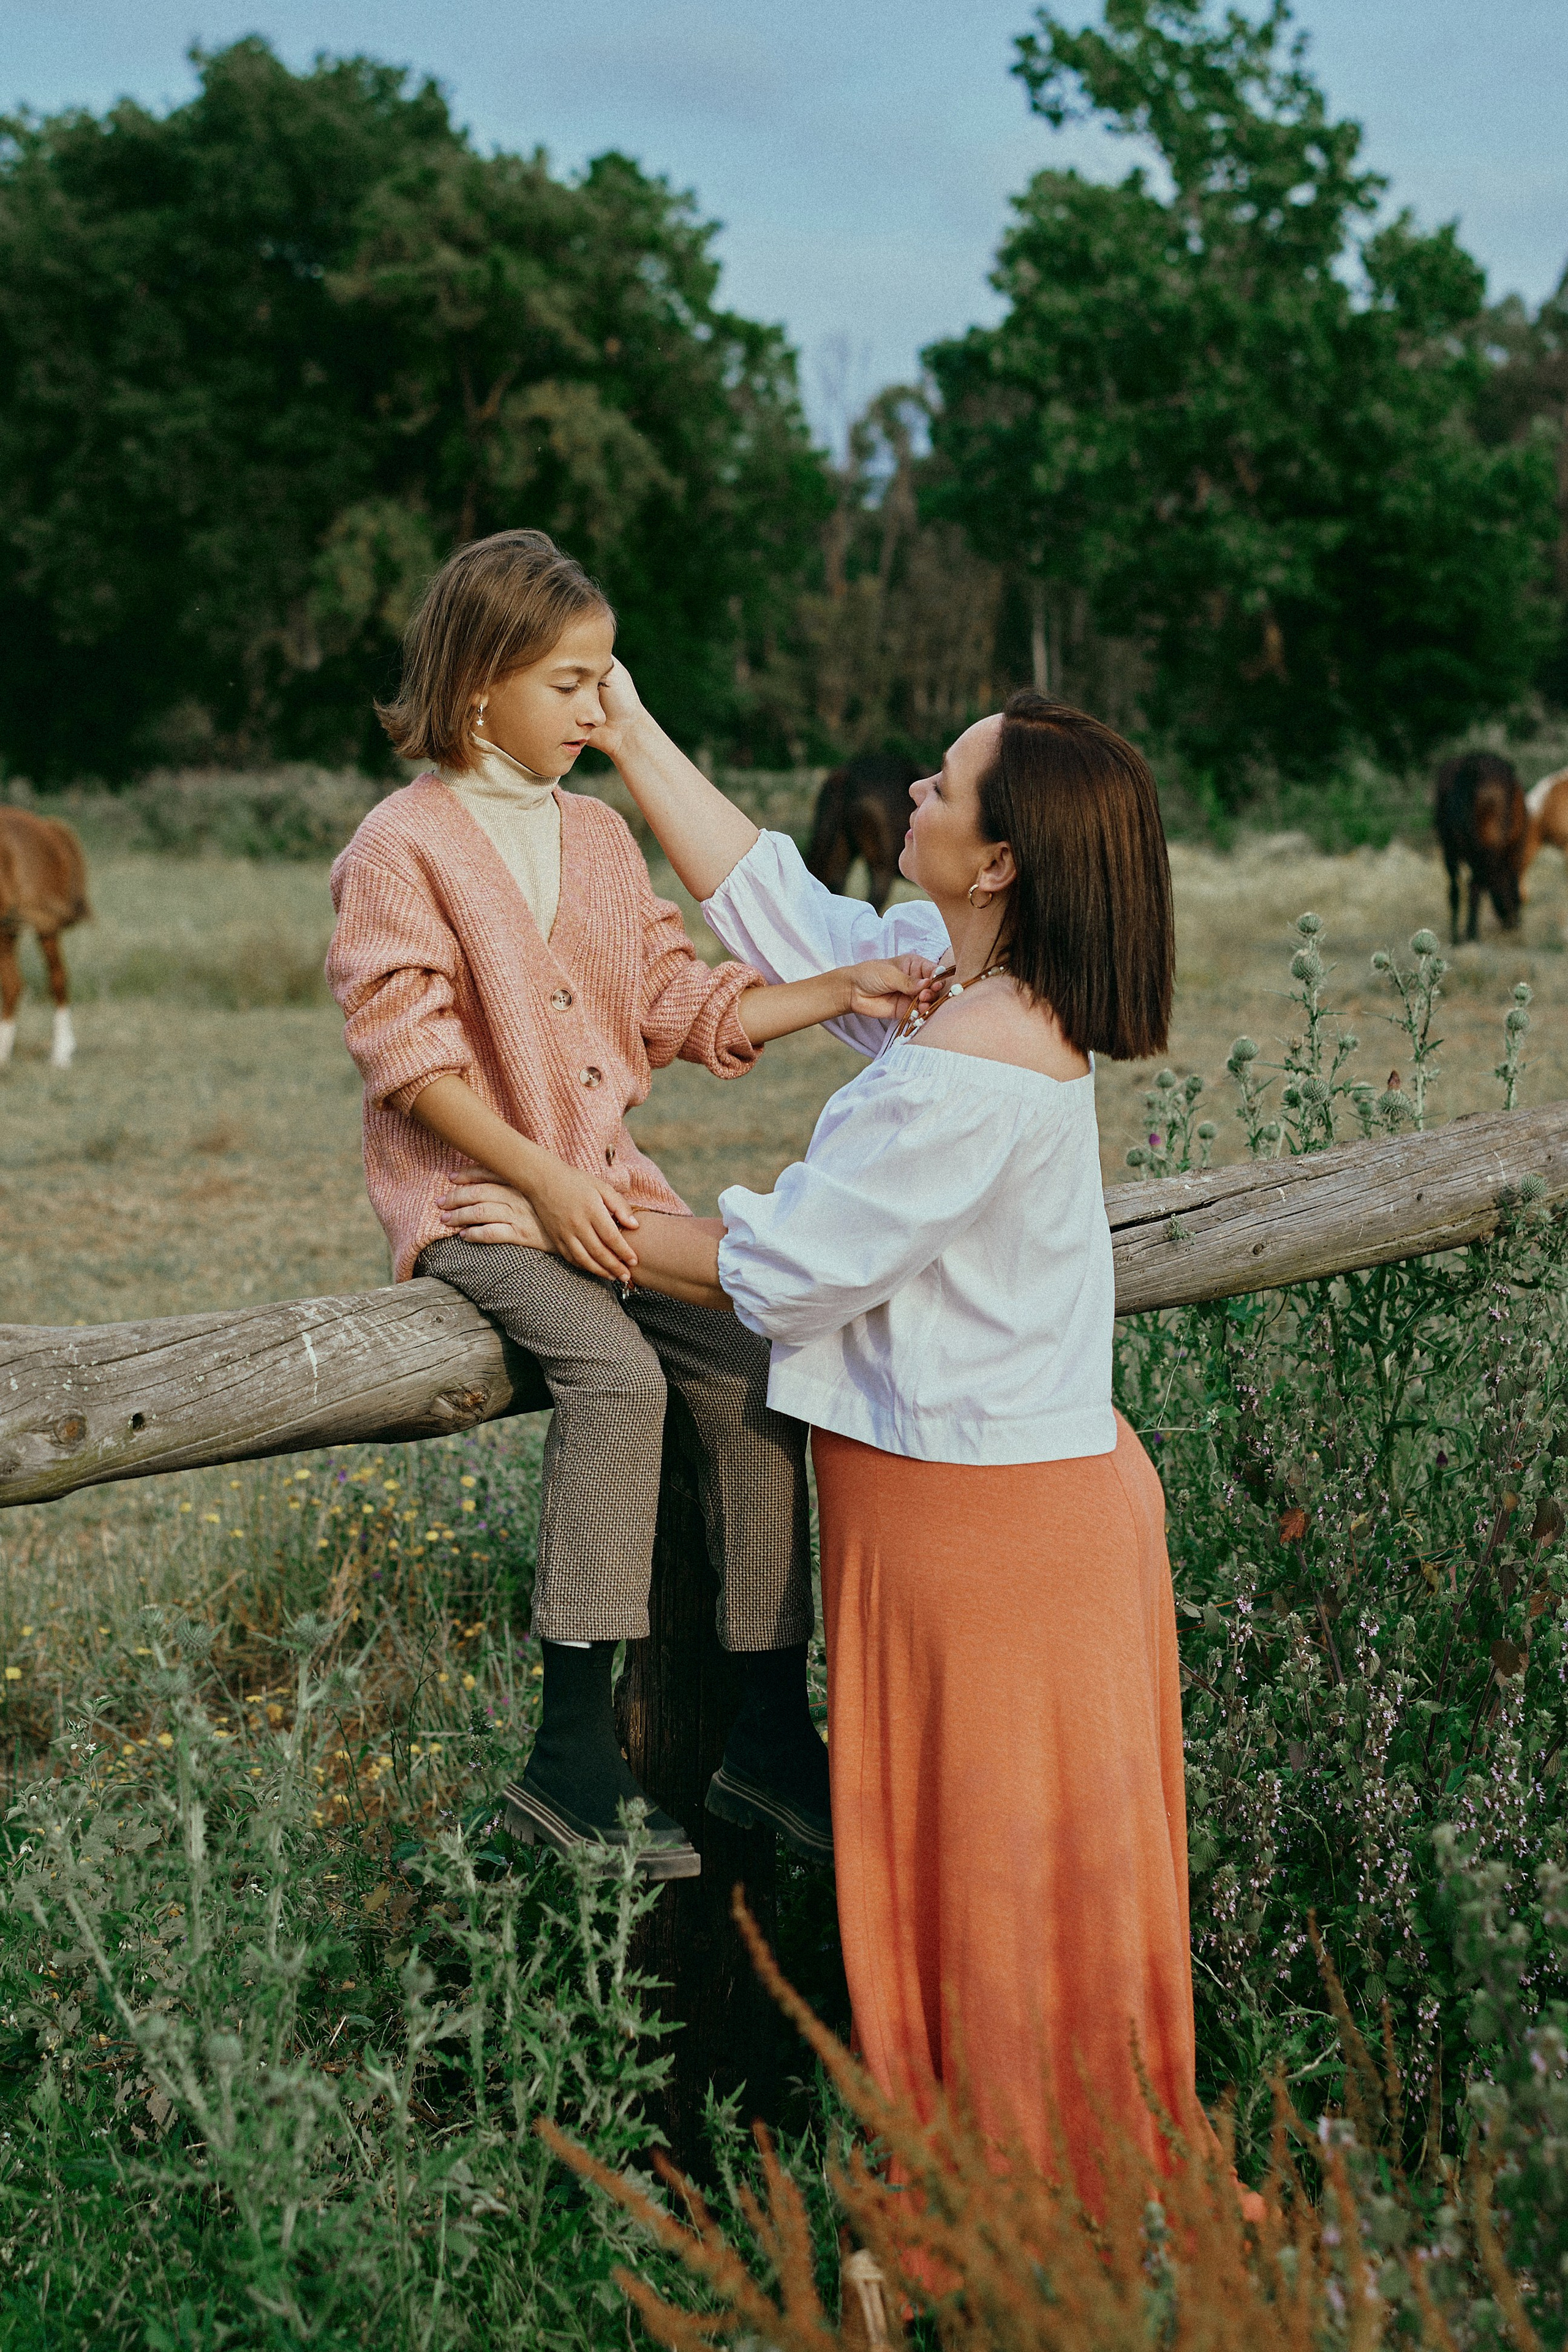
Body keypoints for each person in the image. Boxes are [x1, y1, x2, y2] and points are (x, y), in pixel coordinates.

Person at [440, 670, 1206, 2199]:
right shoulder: (956, 973)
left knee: (991, 1893)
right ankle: (1045, 2199)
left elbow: (788, 1267)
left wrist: (557, 1205)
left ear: (996, 862)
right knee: (1016, 1886)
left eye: (940, 787)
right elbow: (779, 911)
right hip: (1005, 1511)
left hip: (986, 1536)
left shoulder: (976, 1069)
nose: (908, 797)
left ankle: (1022, 2224)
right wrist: (635, 727)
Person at [326, 529, 929, 1880]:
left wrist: (840, 987)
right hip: (478, 1202)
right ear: (478, 685)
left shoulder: (595, 838)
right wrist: (533, 1178)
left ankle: (770, 1734)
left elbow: (678, 1001)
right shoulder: (401, 844)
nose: (601, 710)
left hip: (605, 1197)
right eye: (573, 683)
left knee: (751, 1365)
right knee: (615, 1379)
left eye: (605, 681)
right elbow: (405, 1057)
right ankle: (568, 1763)